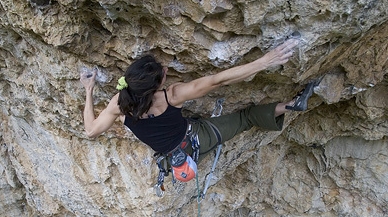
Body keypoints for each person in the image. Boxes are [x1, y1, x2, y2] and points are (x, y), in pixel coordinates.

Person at [81, 39, 317, 181]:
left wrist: (89, 90)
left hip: (172, 159)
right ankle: (290, 105)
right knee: (245, 117)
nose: (166, 71)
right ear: (157, 85)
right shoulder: (171, 96)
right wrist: (265, 61)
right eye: (162, 73)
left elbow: (91, 131)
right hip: (197, 139)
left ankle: (290, 105)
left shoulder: (119, 105)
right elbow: (217, 80)